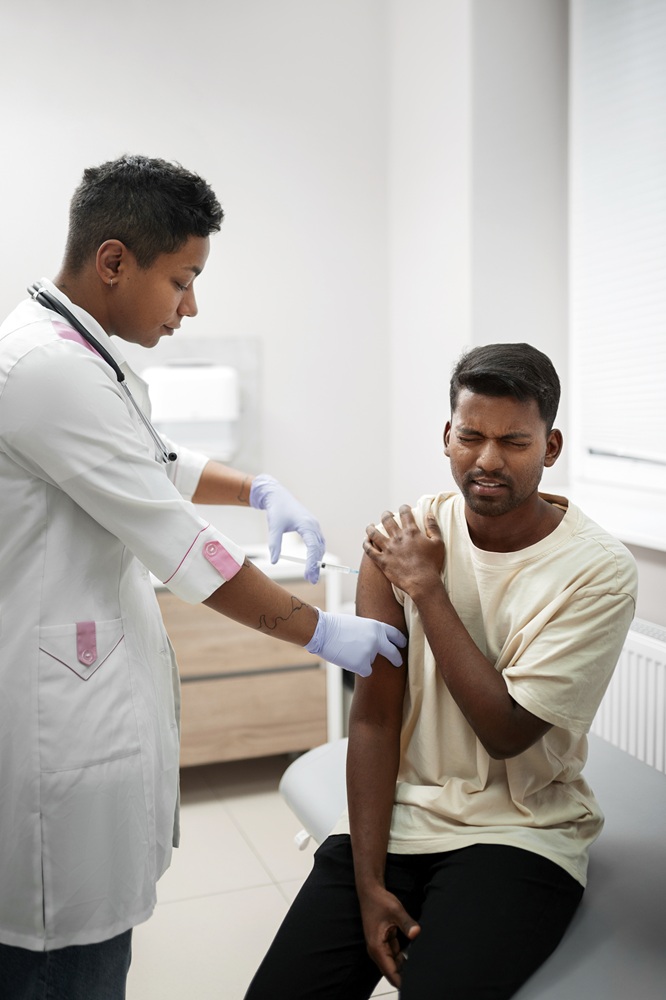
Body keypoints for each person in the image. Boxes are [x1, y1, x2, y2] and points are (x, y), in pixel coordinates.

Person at [0, 154, 406, 999]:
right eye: (183, 281)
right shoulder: (46, 369)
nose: (191, 307)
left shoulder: (77, 351)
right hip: (49, 727)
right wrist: (322, 632)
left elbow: (157, 459)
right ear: (115, 261)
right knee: (66, 964)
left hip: (76, 691)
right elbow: (182, 546)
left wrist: (259, 488)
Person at [244, 343, 638, 1000]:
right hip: (400, 816)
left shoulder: (597, 571)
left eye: (514, 441)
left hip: (520, 833)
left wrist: (428, 589)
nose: (488, 460)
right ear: (447, 436)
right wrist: (368, 883)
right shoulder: (400, 540)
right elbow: (374, 718)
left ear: (551, 447)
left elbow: (506, 732)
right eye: (471, 436)